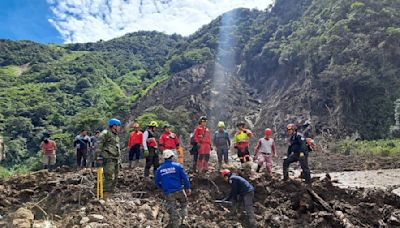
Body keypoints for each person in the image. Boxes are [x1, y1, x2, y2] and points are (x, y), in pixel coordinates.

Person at [155, 150, 191, 228]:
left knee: (172, 208)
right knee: (184, 204)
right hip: (179, 190)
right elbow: (185, 178)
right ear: (172, 157)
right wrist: (187, 188)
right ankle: (184, 221)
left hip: (168, 192)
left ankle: (175, 224)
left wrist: (163, 188)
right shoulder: (177, 166)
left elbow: (157, 182)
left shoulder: (159, 169)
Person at [96, 118, 122, 197]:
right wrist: (99, 156)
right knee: (108, 176)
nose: (119, 128)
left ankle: (111, 192)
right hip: (108, 158)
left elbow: (117, 148)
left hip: (115, 159)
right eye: (118, 126)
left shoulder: (116, 136)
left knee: (116, 177)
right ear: (113, 126)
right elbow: (99, 145)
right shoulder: (105, 133)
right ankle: (105, 194)